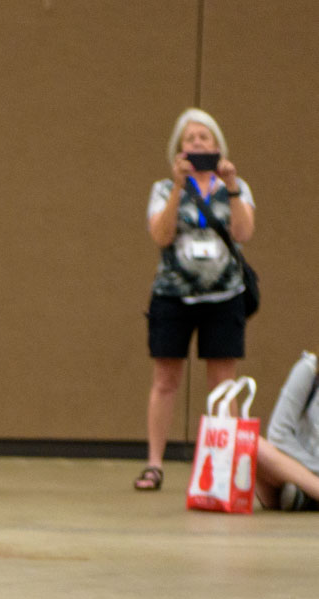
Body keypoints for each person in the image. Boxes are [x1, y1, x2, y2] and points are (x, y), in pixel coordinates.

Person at [135, 108, 256, 491]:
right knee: (165, 379)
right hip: (173, 295)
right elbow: (161, 235)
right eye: (190, 139)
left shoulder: (236, 187)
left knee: (222, 381)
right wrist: (176, 188)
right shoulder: (161, 188)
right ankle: (155, 464)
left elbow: (244, 232)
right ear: (179, 149)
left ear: (218, 146)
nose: (198, 143)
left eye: (205, 137)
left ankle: (229, 465)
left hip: (224, 296)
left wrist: (232, 185)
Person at [255, 351, 319, 511]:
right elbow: (278, 435)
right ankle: (307, 491)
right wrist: (307, 474)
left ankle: (303, 494)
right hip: (296, 463)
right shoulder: (308, 370)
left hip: (299, 473)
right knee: (253, 445)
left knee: (285, 491)